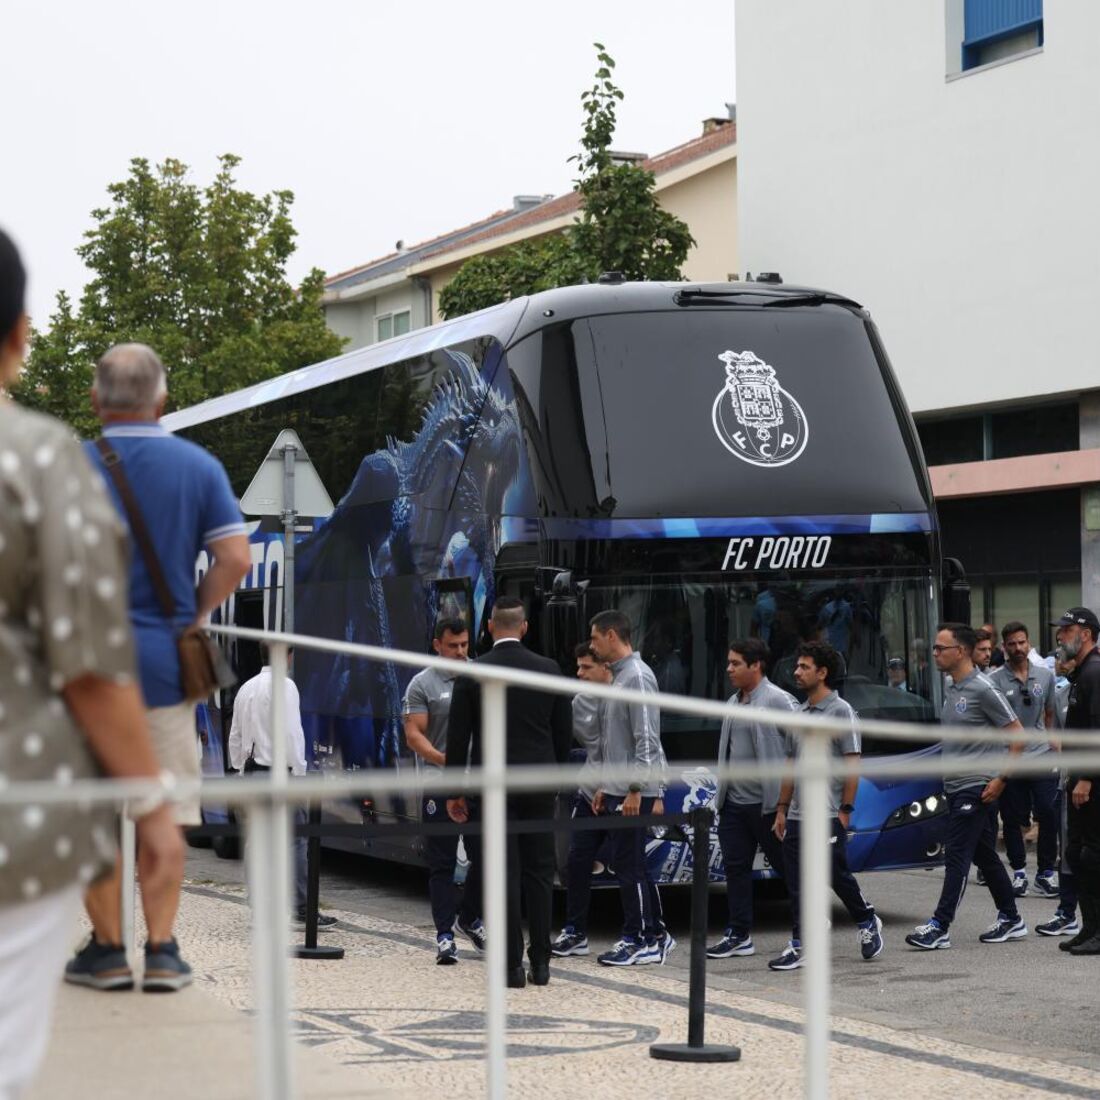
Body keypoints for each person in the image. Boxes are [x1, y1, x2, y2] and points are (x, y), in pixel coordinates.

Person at [0, 228, 183, 1094]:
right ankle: (144, 945)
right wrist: (152, 804)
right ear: (18, 335)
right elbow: (84, 662)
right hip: (17, 805)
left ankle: (108, 946)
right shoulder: (40, 459)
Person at [68, 343, 251, 991]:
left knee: (92, 816)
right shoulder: (196, 466)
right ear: (162, 401)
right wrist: (193, 616)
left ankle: (108, 950)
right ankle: (165, 950)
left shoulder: (68, 469)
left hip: (86, 668)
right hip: (169, 667)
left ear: (96, 401)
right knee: (164, 810)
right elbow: (235, 557)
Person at [444, 598, 571, 988]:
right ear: (525, 627)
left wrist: (455, 790)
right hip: (537, 783)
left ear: (489, 628)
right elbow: (562, 736)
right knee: (539, 872)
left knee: (504, 872)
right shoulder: (549, 670)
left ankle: (511, 965)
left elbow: (458, 737)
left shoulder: (474, 671)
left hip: (493, 784)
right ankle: (542, 962)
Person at [905, 623, 1027, 951]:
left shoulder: (984, 689)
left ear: (960, 651)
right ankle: (1012, 918)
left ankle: (940, 926)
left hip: (978, 787)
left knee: (957, 854)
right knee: (984, 856)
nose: (934, 653)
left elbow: (1018, 736)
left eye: (940, 648)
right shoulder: (951, 686)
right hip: (956, 786)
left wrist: (1001, 779)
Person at [769, 642, 883, 971]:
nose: (796, 672)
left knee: (835, 874)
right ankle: (801, 943)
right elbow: (790, 764)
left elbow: (852, 764)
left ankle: (866, 920)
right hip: (797, 814)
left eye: (804, 667)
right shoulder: (799, 715)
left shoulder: (840, 711)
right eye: (797, 667)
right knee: (796, 882)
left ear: (823, 673)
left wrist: (846, 809)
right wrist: (781, 807)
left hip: (829, 812)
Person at [228, 647, 337, 932]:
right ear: (287, 656)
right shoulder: (286, 686)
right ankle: (301, 908)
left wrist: (240, 769)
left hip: (252, 773)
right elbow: (292, 733)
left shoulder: (246, 688)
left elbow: (235, 735)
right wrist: (299, 771)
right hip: (279, 774)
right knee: (296, 840)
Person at [588, 610, 674, 967]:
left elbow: (646, 741)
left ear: (611, 636)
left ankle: (640, 938)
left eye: (594, 639)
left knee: (629, 867)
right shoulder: (620, 678)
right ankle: (655, 933)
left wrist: (636, 789)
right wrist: (605, 785)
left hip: (633, 791)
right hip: (619, 789)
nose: (592, 647)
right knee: (630, 864)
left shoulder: (636, 678)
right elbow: (616, 742)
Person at [707, 639, 795, 959]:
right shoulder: (733, 701)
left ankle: (805, 932)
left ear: (756, 665)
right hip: (733, 805)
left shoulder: (779, 701)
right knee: (735, 869)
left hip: (768, 806)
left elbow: (800, 750)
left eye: (735, 663)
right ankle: (739, 933)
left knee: (791, 870)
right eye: (729, 663)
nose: (728, 669)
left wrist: (785, 804)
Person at [403, 619, 484, 965]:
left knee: (487, 855)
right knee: (443, 862)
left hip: (480, 782)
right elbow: (414, 734)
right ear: (438, 645)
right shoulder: (422, 684)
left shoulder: (481, 676)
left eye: (465, 644)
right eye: (454, 646)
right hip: (439, 784)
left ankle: (470, 917)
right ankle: (444, 935)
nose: (461, 651)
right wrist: (442, 759)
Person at [988, 622, 1059, 898]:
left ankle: (1045, 873)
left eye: (1022, 642)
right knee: (1014, 818)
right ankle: (1018, 872)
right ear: (1004, 647)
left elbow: (1050, 715)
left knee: (1048, 812)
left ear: (1028, 643)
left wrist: (1054, 747)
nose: (1018, 648)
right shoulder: (994, 681)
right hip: (1011, 759)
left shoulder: (1045, 675)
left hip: (1041, 756)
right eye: (1012, 644)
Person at [551, 644, 613, 958]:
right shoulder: (579, 703)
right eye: (578, 667)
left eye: (586, 668)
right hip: (590, 794)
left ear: (606, 668)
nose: (579, 674)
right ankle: (575, 931)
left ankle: (651, 931)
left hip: (621, 791)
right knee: (576, 861)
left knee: (633, 866)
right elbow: (561, 738)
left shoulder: (625, 698)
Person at [1050, 607, 1100, 955]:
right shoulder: (1081, 674)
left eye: (1066, 630)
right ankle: (1089, 927)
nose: (1060, 636)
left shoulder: (1095, 672)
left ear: (1085, 634)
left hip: (1093, 783)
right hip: (1079, 782)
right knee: (1076, 854)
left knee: (1093, 855)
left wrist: (1085, 778)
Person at [1037, 649, 1082, 938]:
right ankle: (1067, 912)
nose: (1058, 664)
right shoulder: (1064, 693)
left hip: (1088, 781)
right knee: (1069, 849)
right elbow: (1054, 731)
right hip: (1069, 782)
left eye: (1064, 659)